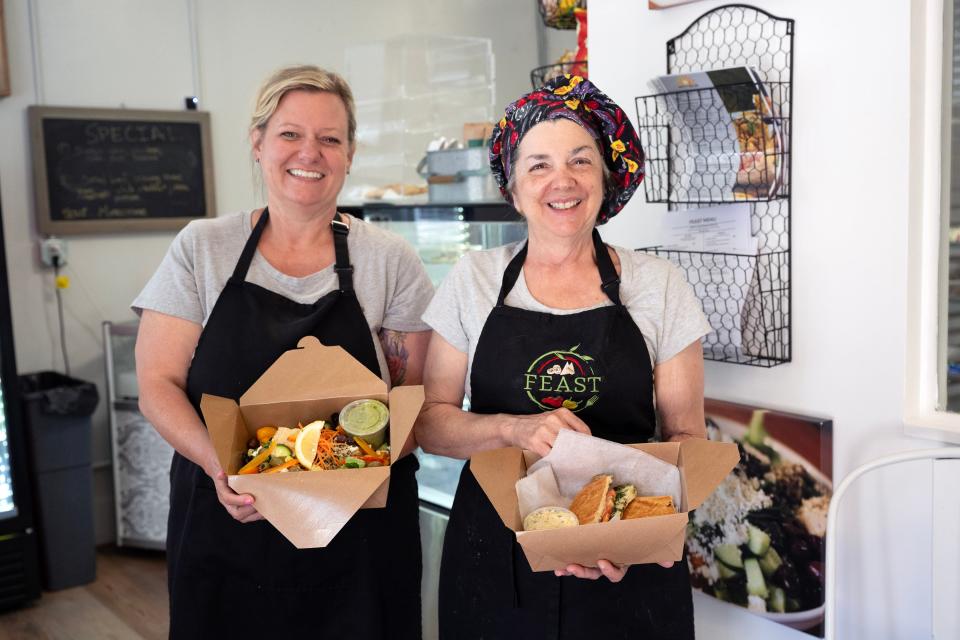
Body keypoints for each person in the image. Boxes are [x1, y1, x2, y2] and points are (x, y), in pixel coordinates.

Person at [133, 65, 433, 639]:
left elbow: (408, 404)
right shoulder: (203, 248)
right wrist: (229, 470)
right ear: (258, 143)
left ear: (349, 154)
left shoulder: (390, 260)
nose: (310, 153)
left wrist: (324, 479)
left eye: (330, 138)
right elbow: (158, 385)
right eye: (291, 134)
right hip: (226, 514)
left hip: (357, 529)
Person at [416, 75, 712, 639]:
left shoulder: (659, 284)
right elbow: (431, 423)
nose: (563, 181)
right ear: (514, 182)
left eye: (580, 160)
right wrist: (512, 430)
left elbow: (686, 439)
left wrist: (634, 534)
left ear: (606, 175)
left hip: (626, 566)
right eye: (539, 165)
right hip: (498, 557)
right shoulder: (474, 279)